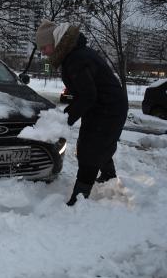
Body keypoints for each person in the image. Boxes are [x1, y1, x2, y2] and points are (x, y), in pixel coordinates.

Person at [35, 19, 128, 206]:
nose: (42, 52)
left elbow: (87, 96)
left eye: (44, 47)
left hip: (107, 109)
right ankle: (109, 176)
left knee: (89, 150)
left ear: (55, 42)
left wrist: (63, 121)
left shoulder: (75, 58)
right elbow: (86, 94)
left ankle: (79, 199)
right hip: (107, 106)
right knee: (99, 144)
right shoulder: (74, 53)